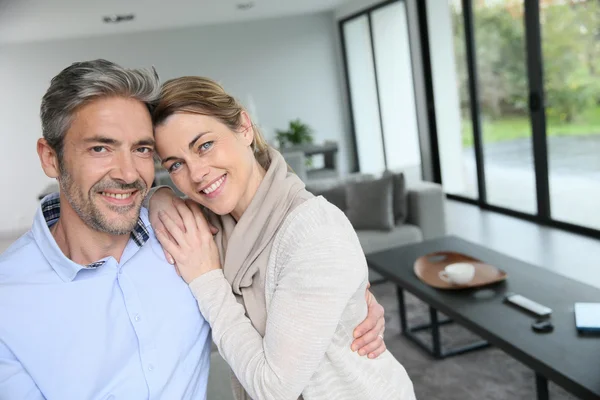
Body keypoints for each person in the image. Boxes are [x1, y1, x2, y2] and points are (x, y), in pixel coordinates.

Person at [0, 59, 386, 400]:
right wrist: (161, 195)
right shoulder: (10, 302)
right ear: (50, 157)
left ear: (244, 128)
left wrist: (350, 298)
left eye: (141, 150)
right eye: (100, 148)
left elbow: (301, 275)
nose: (128, 172)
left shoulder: (193, 244)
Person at [147, 76, 417, 399]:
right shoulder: (209, 227)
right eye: (176, 165)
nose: (196, 174)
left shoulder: (314, 230)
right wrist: (159, 197)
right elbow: (143, 199)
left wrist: (206, 279)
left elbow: (274, 388)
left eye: (204, 145)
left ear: (244, 127)